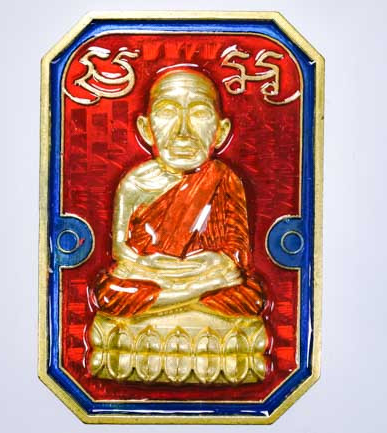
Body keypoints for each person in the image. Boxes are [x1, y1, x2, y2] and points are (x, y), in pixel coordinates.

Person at [87, 69, 268, 384]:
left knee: (251, 296)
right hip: (156, 276)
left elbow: (236, 256)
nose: (183, 131)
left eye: (199, 114)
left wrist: (210, 263)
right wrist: (160, 269)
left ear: (221, 131)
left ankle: (178, 301)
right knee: (110, 292)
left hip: (202, 277)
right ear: (146, 129)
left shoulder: (225, 179)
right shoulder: (135, 183)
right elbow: (121, 251)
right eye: (168, 112)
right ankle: (189, 296)